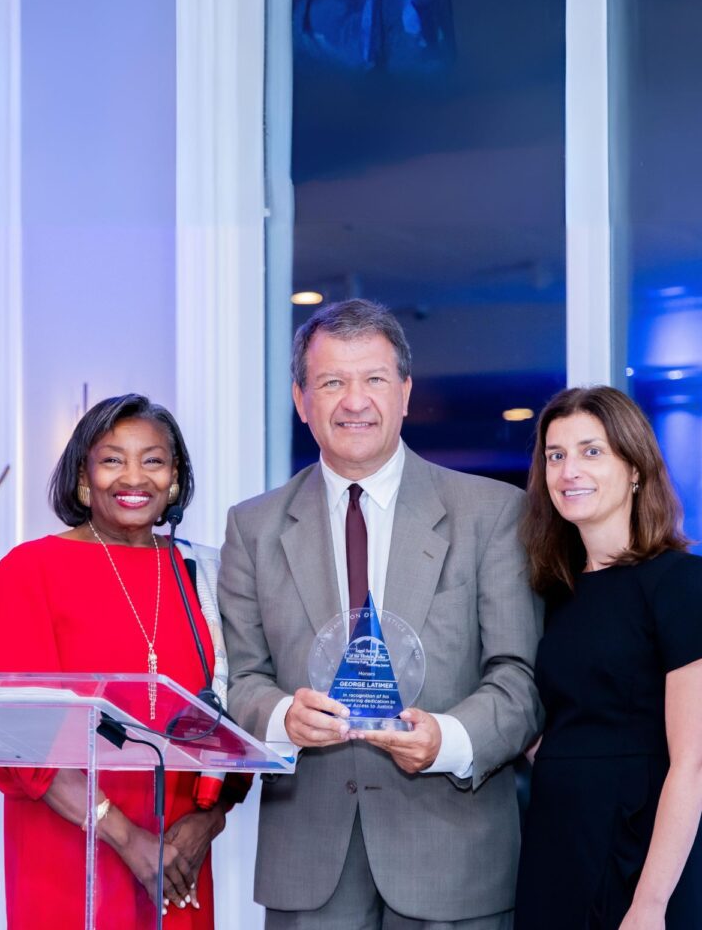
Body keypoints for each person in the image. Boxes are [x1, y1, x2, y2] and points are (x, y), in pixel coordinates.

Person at [219, 298, 542, 929]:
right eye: (331, 382)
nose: (354, 401)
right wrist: (284, 717)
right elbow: (239, 681)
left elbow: (518, 678)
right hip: (308, 865)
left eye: (372, 379)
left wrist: (445, 741)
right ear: (301, 399)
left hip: (453, 860)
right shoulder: (252, 527)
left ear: (405, 391)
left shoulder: (493, 513)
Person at [0, 393, 247, 929]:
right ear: (83, 477)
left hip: (179, 857)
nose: (135, 478)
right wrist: (129, 840)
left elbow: (239, 716)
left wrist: (205, 825)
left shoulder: (204, 575)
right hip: (69, 850)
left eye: (153, 460)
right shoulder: (29, 571)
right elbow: (20, 744)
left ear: (175, 478)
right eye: (112, 460)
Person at [514, 386, 702, 930]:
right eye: (556, 455)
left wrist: (649, 904)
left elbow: (692, 762)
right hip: (557, 841)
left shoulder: (681, 583)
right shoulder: (552, 594)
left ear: (635, 467)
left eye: (591, 451)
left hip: (645, 853)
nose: (569, 470)